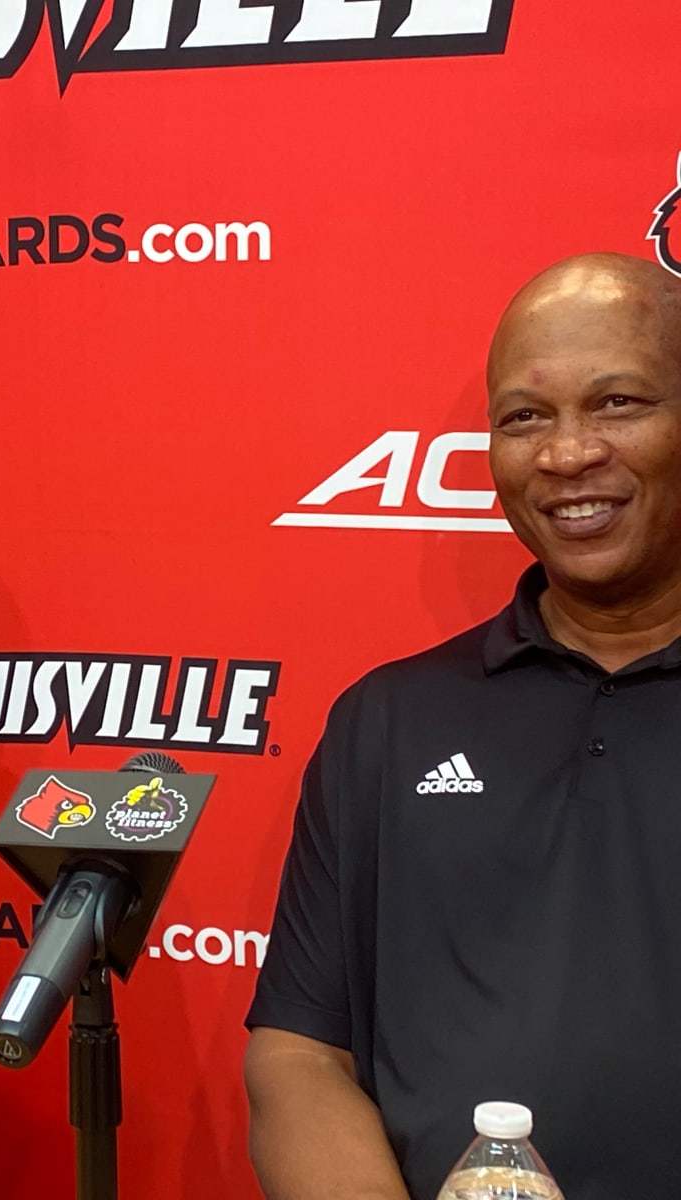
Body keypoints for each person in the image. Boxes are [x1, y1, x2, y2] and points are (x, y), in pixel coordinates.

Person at [244, 253, 681, 1200]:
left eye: (617, 404)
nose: (566, 455)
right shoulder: (390, 720)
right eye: (524, 417)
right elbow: (300, 1056)